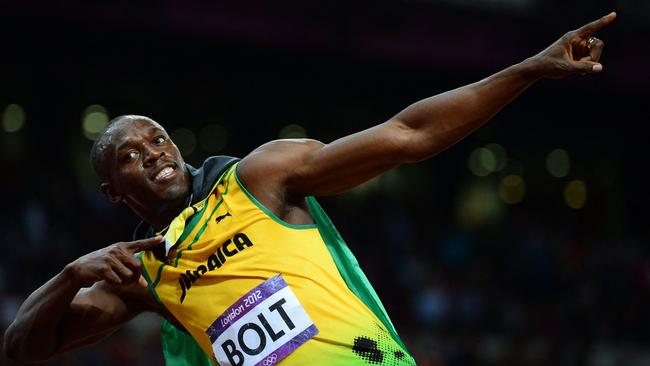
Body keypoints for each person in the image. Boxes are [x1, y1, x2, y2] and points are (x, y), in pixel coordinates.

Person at [3, 12, 616, 366]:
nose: (154, 155)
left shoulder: (259, 175)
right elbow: (21, 350)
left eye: (158, 139)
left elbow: (408, 134)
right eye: (130, 157)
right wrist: (68, 277)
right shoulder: (146, 273)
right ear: (114, 192)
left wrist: (529, 69)